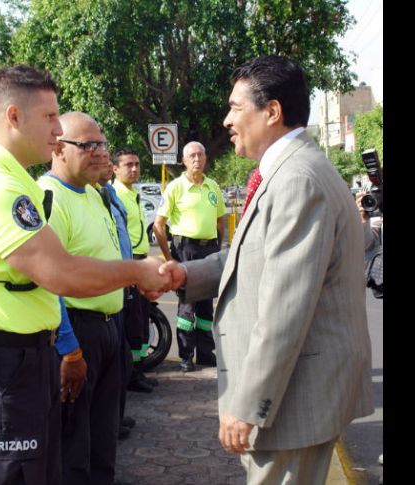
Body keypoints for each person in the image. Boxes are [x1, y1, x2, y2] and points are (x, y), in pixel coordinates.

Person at [0, 65, 171, 485]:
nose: (56, 127)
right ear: (13, 116)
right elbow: (60, 271)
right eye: (49, 117)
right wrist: (138, 270)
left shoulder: (12, 180)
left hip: (23, 360)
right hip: (4, 365)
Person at [157, 55, 373, 484]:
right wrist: (186, 276)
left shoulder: (296, 180)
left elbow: (284, 312)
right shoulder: (287, 173)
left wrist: (247, 405)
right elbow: (251, 253)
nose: (226, 120)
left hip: (291, 403)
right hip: (294, 398)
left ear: (272, 111)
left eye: (236, 108)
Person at [37, 111, 126, 485]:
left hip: (110, 328)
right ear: (58, 147)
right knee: (74, 443)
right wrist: (70, 350)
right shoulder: (49, 198)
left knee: (104, 435)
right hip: (78, 331)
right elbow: (48, 281)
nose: (98, 152)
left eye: (101, 144)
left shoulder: (91, 194)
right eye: (87, 145)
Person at [153, 141, 226, 372]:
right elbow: (158, 225)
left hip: (209, 249)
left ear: (206, 158)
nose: (197, 159)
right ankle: (186, 356)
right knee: (187, 306)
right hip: (185, 249)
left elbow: (220, 220)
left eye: (200, 155)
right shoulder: (175, 187)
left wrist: (219, 246)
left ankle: (205, 353)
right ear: (183, 161)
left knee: (206, 306)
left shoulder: (213, 186)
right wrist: (169, 258)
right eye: (192, 156)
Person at [97, 154, 138, 442]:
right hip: (93, 307)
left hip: (120, 289)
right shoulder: (61, 195)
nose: (99, 156)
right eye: (92, 149)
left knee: (121, 364)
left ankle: (115, 420)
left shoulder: (107, 194)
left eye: (103, 150)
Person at [112, 148, 159, 391]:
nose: (134, 169)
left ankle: (138, 371)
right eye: (128, 164)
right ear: (115, 169)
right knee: (132, 323)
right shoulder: (116, 195)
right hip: (129, 265)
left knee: (140, 320)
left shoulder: (132, 193)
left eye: (137, 164)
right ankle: (131, 375)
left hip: (140, 262)